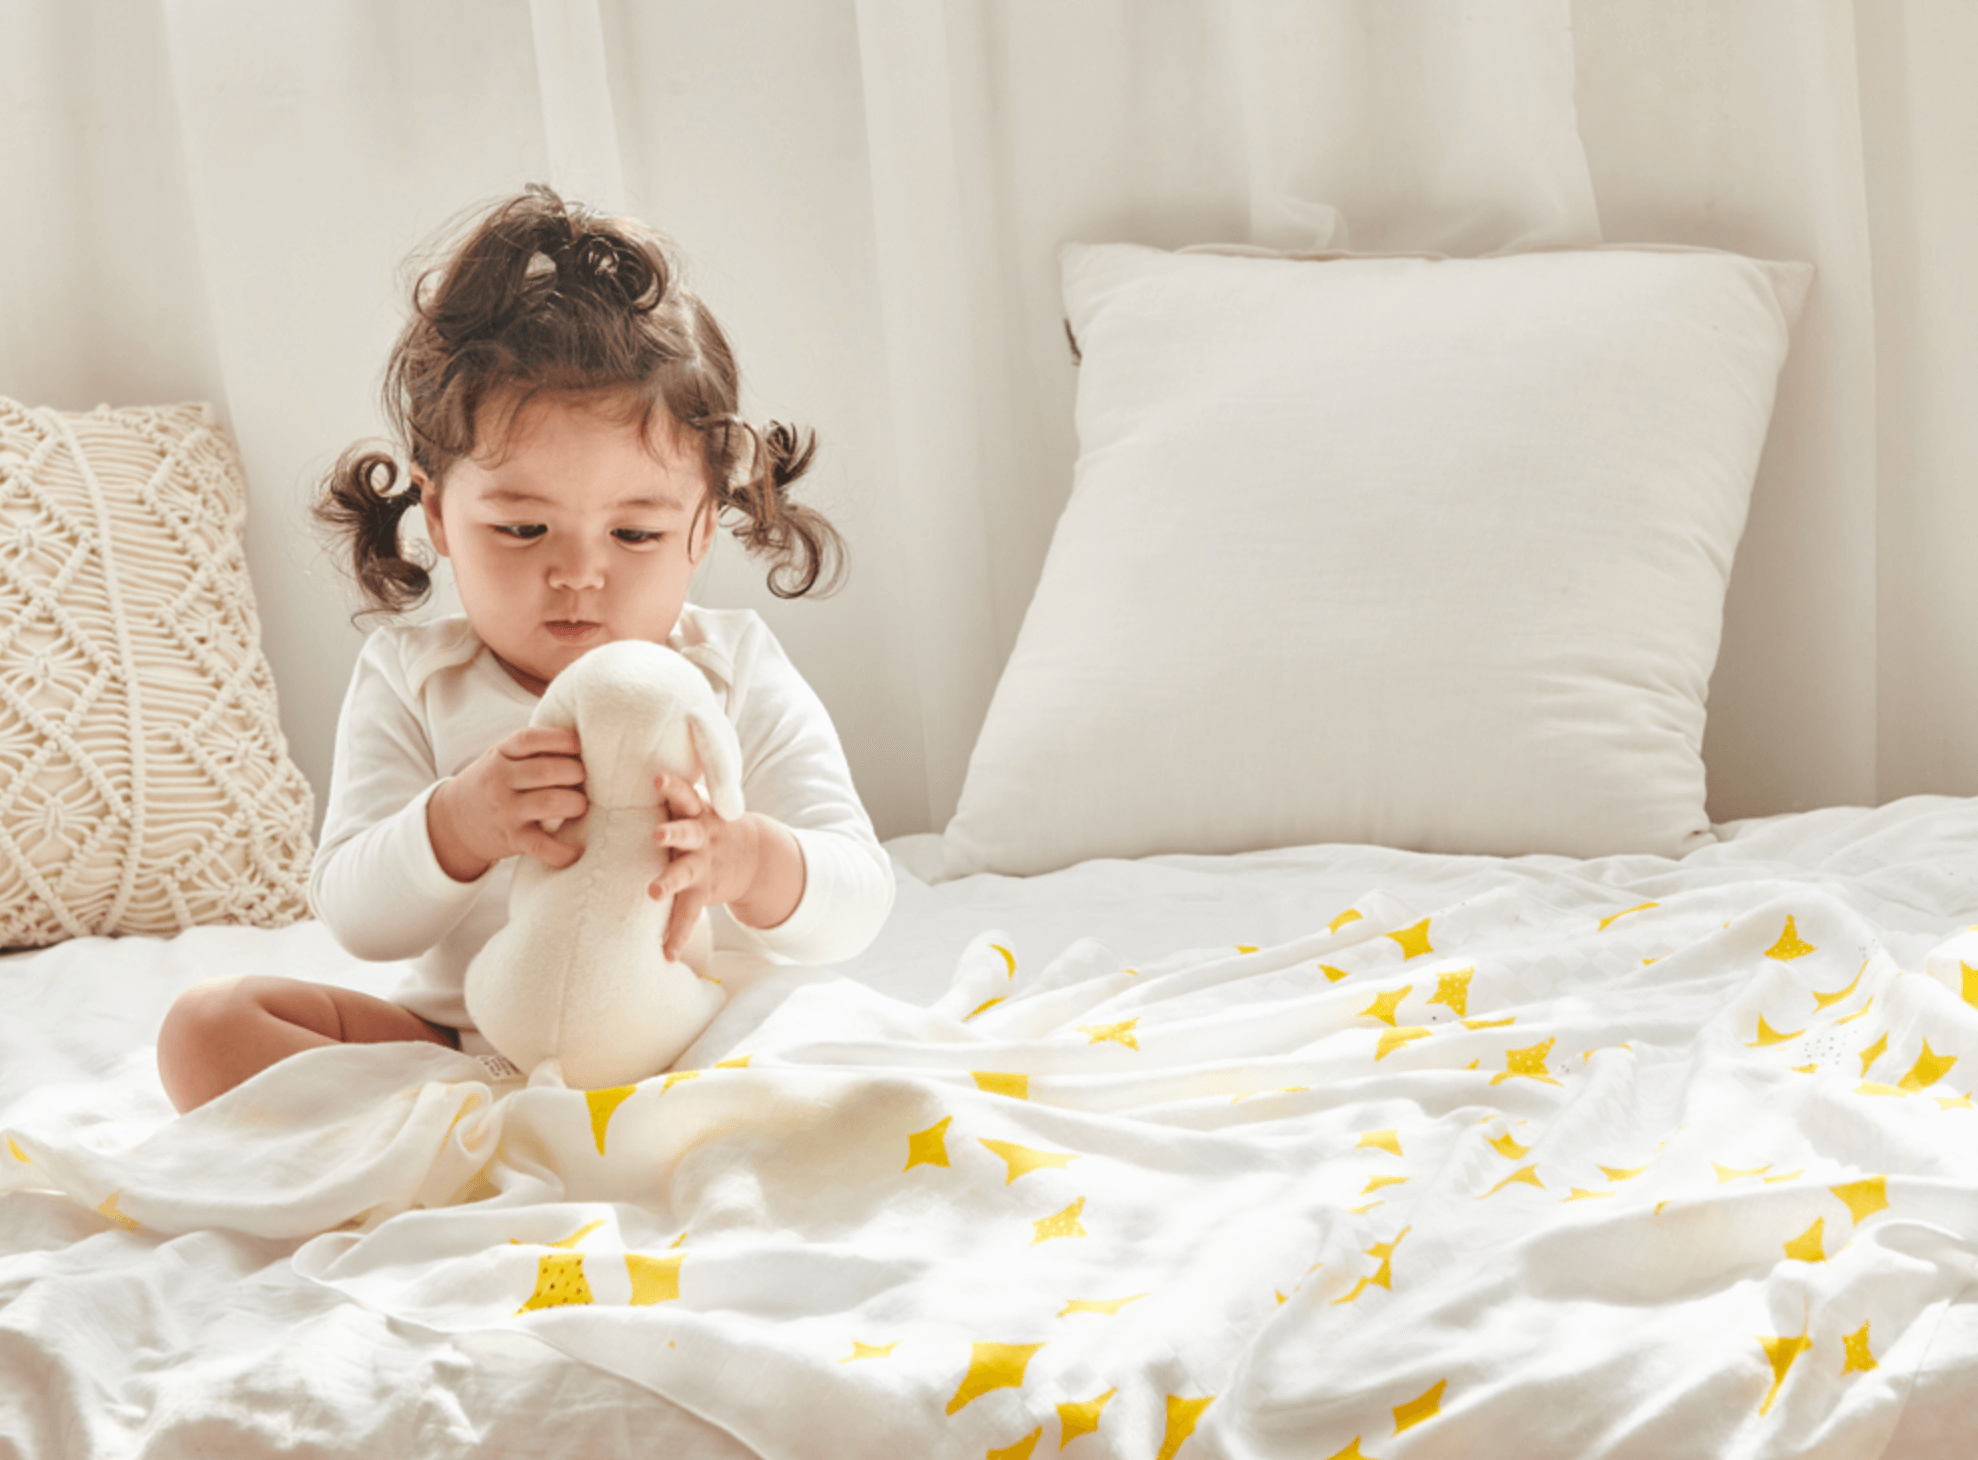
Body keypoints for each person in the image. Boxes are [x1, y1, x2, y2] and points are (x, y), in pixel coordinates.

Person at [156, 186, 894, 1111]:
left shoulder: (732, 671)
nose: (578, 575)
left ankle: (563, 1146)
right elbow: (354, 912)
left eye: (634, 537)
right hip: (470, 1052)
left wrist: (745, 859)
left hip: (692, 1040)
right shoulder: (414, 677)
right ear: (438, 514)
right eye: (521, 530)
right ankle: (494, 1135)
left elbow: (860, 897)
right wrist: (460, 825)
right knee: (208, 1030)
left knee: (838, 1047)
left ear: (704, 527)